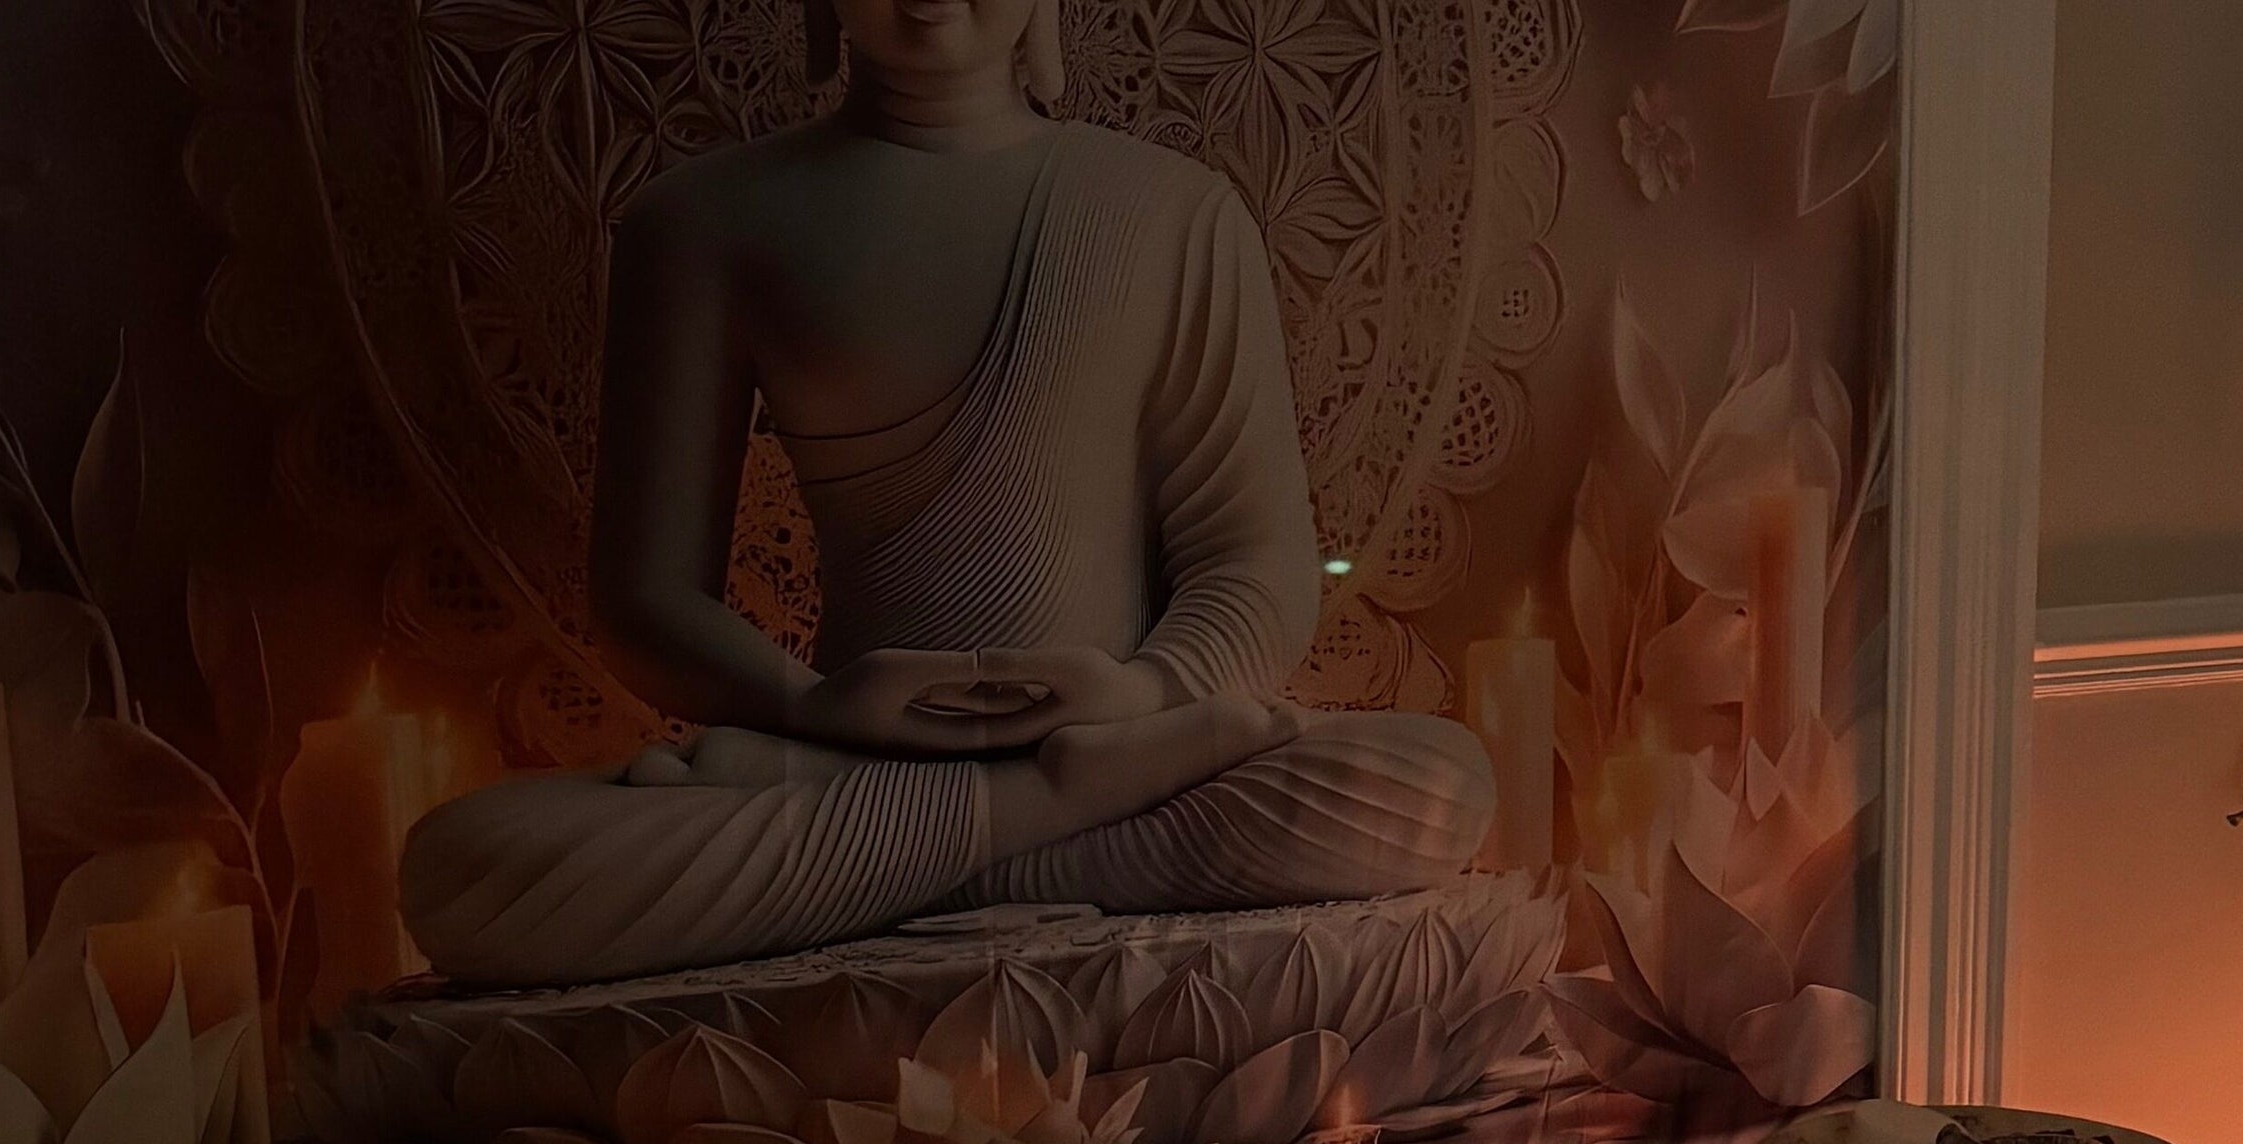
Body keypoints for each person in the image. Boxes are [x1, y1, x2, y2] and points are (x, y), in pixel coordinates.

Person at [398, 0, 1491, 989]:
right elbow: (643, 602)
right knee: (470, 868)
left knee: (1432, 784)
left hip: (1103, 751)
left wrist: (1144, 696)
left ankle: (925, 858)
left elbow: (1256, 564)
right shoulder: (702, 223)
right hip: (858, 759)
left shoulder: (1172, 215)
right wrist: (809, 705)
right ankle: (1044, 821)